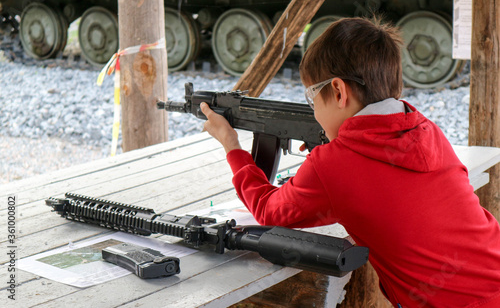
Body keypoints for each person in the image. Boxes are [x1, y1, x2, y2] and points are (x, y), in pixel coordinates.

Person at [200, 17, 500, 307]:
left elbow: (269, 211)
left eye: (311, 98)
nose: (314, 110)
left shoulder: (333, 164)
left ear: (339, 91)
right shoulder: (425, 128)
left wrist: (232, 145)